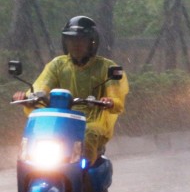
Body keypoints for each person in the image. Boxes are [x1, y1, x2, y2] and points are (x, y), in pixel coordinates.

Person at [12, 15, 129, 165]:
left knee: (88, 136)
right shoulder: (57, 65)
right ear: (65, 42)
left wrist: (110, 101)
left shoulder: (106, 67)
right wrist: (26, 97)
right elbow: (40, 88)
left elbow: (117, 100)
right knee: (34, 138)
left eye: (81, 40)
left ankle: (83, 178)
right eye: (71, 40)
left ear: (92, 42)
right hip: (58, 120)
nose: (75, 44)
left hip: (91, 122)